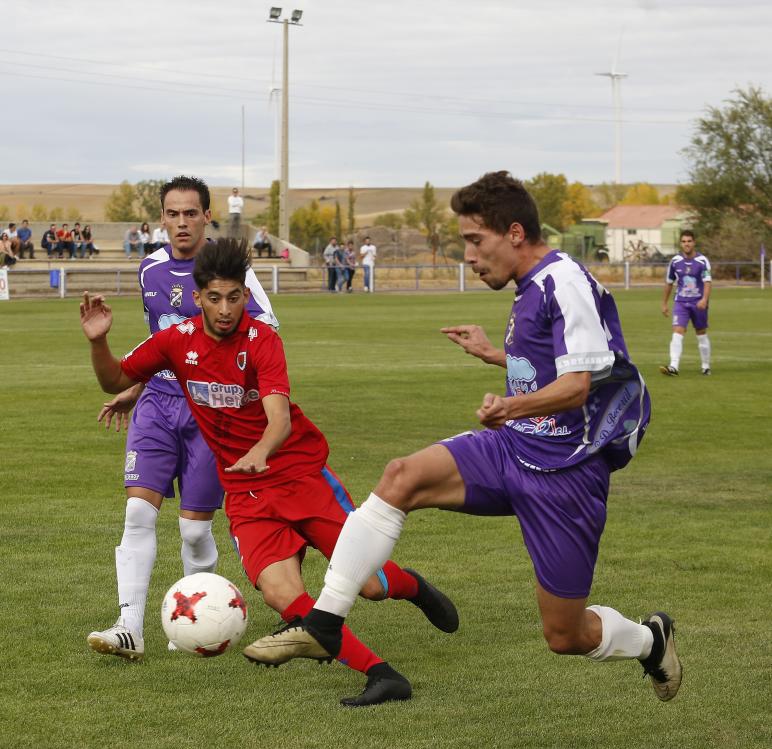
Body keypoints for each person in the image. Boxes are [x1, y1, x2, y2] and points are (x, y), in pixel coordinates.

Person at [244, 171, 683, 704]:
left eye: (476, 240)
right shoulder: (533, 286)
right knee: (400, 477)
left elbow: (578, 384)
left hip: (567, 473)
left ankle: (648, 642)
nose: (470, 256)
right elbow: (558, 360)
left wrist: (510, 405)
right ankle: (324, 623)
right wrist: (497, 355)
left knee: (564, 635)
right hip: (515, 447)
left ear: (514, 233)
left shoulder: (562, 280)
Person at [80, 236, 459, 707]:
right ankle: (381, 673)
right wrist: (99, 343)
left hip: (300, 477)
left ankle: (411, 585)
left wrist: (261, 449)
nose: (224, 309)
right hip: (246, 494)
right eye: (214, 298)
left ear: (246, 294)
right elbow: (115, 378)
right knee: (284, 598)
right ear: (197, 298)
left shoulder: (262, 341)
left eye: (234, 297)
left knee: (370, 585)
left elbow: (278, 417)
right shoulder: (176, 342)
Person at [84, 176, 280, 664]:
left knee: (194, 531)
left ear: (207, 216)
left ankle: (195, 624)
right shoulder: (149, 269)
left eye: (191, 213)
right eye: (172, 214)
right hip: (157, 403)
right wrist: (133, 387)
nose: (181, 223)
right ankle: (129, 625)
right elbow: (162, 342)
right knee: (137, 513)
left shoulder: (231, 272)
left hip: (211, 413)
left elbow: (266, 331)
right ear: (161, 219)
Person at [659, 230, 712, 376]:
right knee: (677, 331)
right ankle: (673, 366)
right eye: (684, 241)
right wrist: (664, 303)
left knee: (701, 333)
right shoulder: (675, 261)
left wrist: (704, 299)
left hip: (699, 303)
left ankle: (706, 366)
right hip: (681, 302)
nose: (686, 244)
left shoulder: (702, 261)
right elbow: (669, 283)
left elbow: (707, 282)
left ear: (694, 242)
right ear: (681, 243)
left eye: (689, 241)